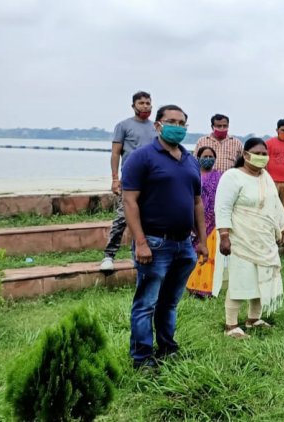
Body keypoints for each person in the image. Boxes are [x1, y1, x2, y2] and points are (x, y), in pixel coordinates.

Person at [121, 105, 208, 369]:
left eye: (182, 123)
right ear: (158, 125)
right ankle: (142, 357)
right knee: (146, 303)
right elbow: (129, 201)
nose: (177, 127)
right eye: (172, 121)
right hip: (155, 242)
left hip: (184, 244)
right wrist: (141, 242)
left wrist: (202, 240)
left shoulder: (190, 160)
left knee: (169, 303)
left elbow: (197, 203)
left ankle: (168, 348)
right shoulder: (142, 157)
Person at [216, 138, 284, 339]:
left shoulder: (266, 177)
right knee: (241, 279)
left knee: (262, 278)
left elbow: (275, 205)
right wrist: (224, 236)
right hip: (240, 238)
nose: (262, 157)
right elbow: (223, 207)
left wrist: (281, 227)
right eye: (258, 153)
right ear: (246, 155)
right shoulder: (232, 176)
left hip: (264, 239)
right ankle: (231, 325)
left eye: (265, 154)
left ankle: (253, 319)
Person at [100, 91, 157, 271]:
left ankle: (141, 254)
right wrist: (115, 179)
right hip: (131, 179)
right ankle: (109, 256)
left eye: (148, 103)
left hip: (152, 180)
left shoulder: (156, 128)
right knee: (122, 217)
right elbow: (115, 153)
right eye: (141, 103)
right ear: (133, 105)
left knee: (148, 218)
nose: (145, 106)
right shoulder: (123, 126)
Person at [185, 147, 226, 298]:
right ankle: (192, 286)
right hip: (194, 220)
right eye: (205, 156)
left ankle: (208, 288)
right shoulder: (192, 175)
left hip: (214, 221)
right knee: (194, 254)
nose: (208, 158)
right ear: (198, 157)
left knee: (210, 256)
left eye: (211, 156)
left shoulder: (220, 176)